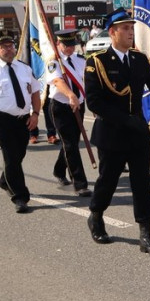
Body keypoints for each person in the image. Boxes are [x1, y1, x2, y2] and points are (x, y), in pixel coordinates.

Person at [83, 9, 150, 255]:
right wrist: (127, 121)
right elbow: (94, 103)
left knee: (141, 184)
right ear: (113, 32)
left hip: (138, 134)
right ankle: (96, 215)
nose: (130, 32)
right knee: (108, 181)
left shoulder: (138, 59)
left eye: (132, 28)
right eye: (125, 28)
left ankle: (146, 234)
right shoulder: (97, 62)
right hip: (112, 133)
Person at [0, 31, 42, 213]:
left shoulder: (25, 68)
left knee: (19, 155)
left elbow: (35, 92)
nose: (8, 49)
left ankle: (5, 180)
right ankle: (20, 197)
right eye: (3, 47)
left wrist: (35, 114)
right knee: (11, 158)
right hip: (3, 119)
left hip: (24, 119)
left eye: (10, 45)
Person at [44, 29, 91, 197]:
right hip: (61, 106)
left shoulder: (80, 60)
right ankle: (80, 184)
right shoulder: (54, 62)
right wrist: (70, 95)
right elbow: (57, 81)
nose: (70, 49)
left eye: (72, 45)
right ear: (58, 44)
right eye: (66, 45)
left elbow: (87, 81)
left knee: (70, 141)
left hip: (79, 105)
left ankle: (58, 170)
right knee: (71, 144)